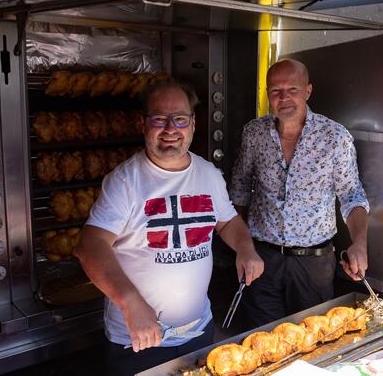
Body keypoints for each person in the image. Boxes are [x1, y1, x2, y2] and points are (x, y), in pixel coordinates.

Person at [75, 80, 264, 375]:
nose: (170, 128)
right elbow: (90, 246)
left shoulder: (208, 174)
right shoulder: (125, 181)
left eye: (179, 119)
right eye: (159, 119)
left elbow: (227, 221)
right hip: (139, 341)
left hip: (198, 332)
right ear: (143, 123)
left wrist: (245, 248)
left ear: (192, 123)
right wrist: (131, 303)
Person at [229, 59, 370, 328]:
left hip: (313, 265)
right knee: (261, 341)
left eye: (292, 89)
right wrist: (241, 248)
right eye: (275, 91)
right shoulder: (253, 133)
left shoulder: (334, 137)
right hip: (262, 260)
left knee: (311, 341)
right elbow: (239, 191)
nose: (283, 98)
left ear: (308, 91)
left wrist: (360, 243)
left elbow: (352, 195)